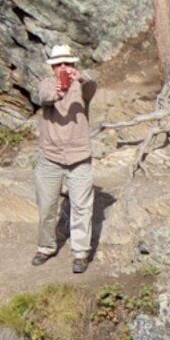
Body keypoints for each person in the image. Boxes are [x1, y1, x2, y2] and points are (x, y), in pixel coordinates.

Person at [31, 43, 102, 272]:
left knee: (82, 207)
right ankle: (46, 246)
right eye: (59, 63)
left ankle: (80, 252)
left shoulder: (82, 86)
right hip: (50, 156)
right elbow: (45, 97)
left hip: (79, 155)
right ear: (52, 67)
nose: (63, 67)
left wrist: (78, 78)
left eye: (67, 63)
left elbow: (92, 87)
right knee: (47, 206)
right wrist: (60, 89)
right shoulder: (46, 83)